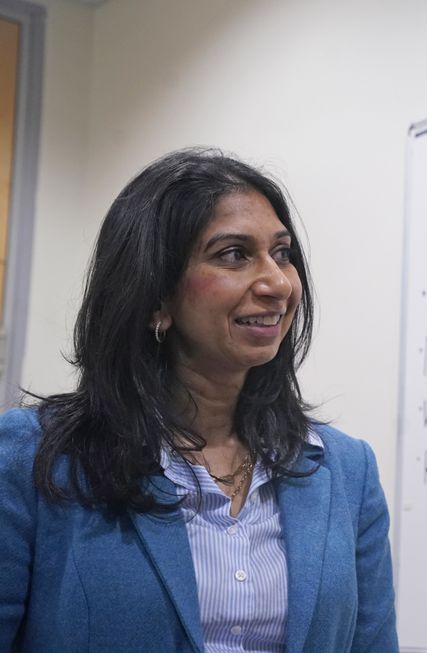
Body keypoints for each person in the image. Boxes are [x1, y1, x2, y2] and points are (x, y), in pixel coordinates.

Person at [0, 148, 398, 652]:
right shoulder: (33, 457)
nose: (277, 283)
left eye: (281, 253)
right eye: (233, 254)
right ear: (156, 296)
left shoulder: (346, 471)